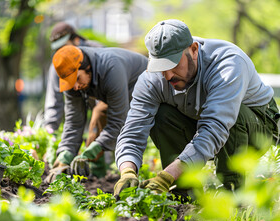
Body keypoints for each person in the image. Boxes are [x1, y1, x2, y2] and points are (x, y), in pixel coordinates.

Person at [113, 19, 280, 196]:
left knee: (233, 115)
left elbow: (215, 127)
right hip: (201, 121)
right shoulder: (152, 80)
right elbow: (132, 131)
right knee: (162, 115)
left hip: (257, 126)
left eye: (173, 64)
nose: (168, 75)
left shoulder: (228, 64)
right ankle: (185, 194)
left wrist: (165, 176)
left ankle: (232, 194)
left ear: (193, 50)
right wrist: (127, 171)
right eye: (161, 67)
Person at [45, 45, 148, 183]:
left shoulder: (111, 68)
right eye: (70, 82)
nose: (75, 86)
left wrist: (90, 152)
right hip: (117, 90)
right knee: (98, 114)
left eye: (77, 79)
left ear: (86, 67)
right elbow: (74, 122)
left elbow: (118, 122)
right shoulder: (73, 84)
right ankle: (98, 176)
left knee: (102, 116)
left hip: (143, 84)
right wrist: (64, 157)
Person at [44, 21, 103, 132]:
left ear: (76, 40)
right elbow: (54, 100)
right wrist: (49, 129)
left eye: (63, 47)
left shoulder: (98, 52)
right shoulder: (58, 64)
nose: (61, 52)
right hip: (80, 106)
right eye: (57, 50)